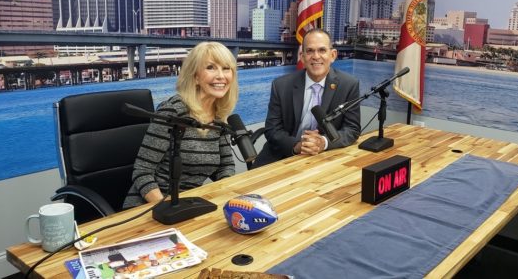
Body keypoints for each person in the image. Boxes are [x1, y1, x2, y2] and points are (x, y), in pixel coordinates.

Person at [123, 42, 238, 209]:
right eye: (211, 67)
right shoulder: (172, 112)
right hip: (150, 207)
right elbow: (142, 171)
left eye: (226, 68)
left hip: (190, 204)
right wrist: (168, 207)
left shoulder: (219, 115)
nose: (221, 76)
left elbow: (225, 167)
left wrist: (224, 195)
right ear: (195, 76)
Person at [252, 29, 361, 169]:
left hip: (326, 157)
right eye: (309, 51)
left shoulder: (349, 85)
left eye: (322, 50)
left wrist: (323, 142)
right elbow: (272, 130)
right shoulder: (281, 85)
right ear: (302, 57)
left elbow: (352, 129)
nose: (316, 56)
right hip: (282, 155)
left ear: (332, 55)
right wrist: (297, 146)